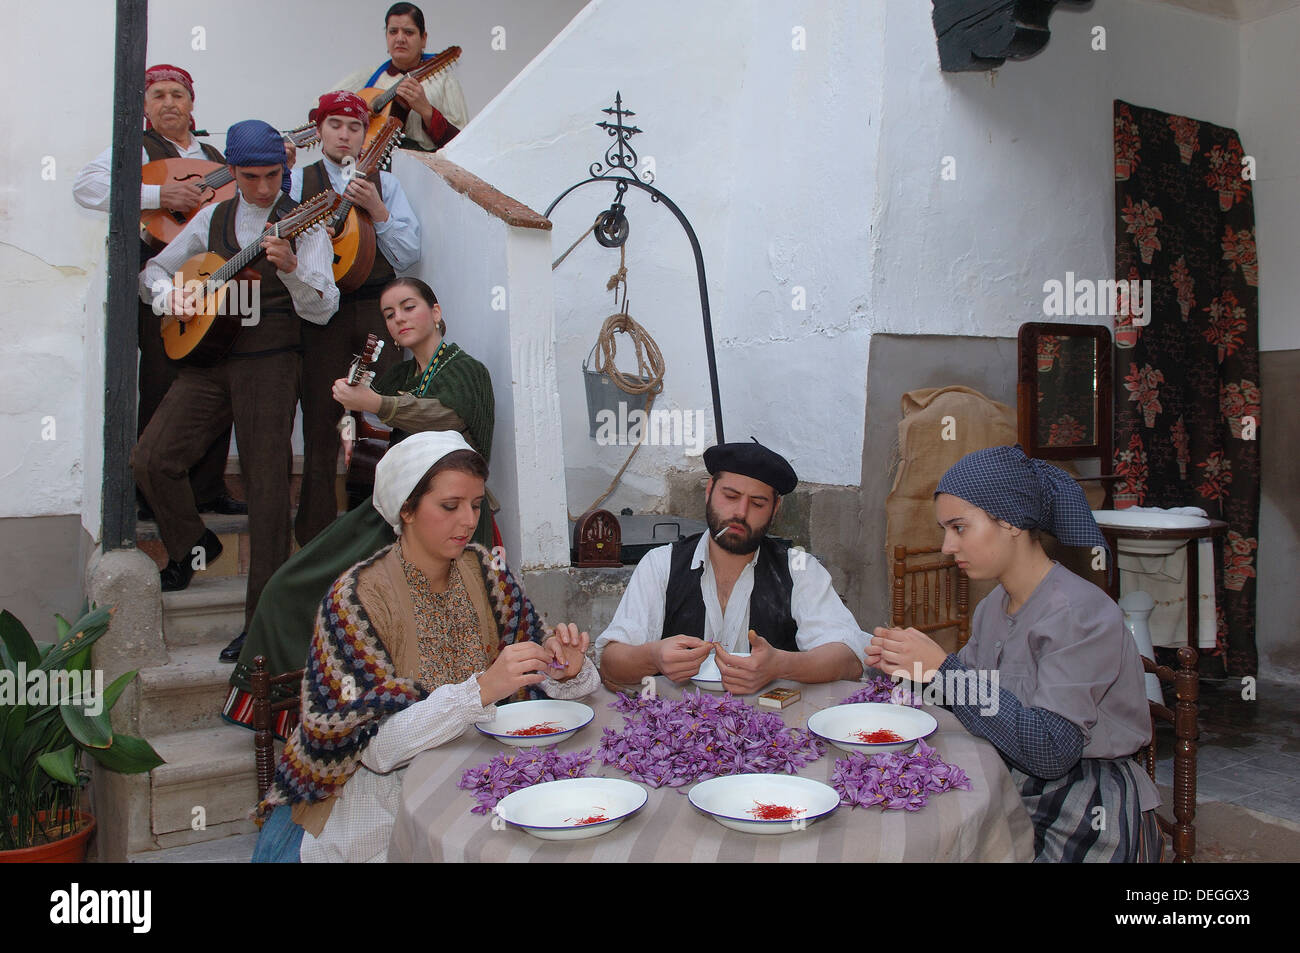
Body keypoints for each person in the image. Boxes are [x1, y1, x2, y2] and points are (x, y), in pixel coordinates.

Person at [251, 431, 598, 863]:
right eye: (450, 506)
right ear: (407, 510)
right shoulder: (357, 599)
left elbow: (539, 664)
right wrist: (481, 691)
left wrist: (564, 666)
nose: (468, 521)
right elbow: (373, 750)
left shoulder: (488, 571)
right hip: (367, 803)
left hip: (475, 774)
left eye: (476, 505)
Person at [221, 273, 492, 731]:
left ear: (436, 311)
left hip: (449, 518)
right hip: (395, 513)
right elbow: (376, 430)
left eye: (408, 306)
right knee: (292, 583)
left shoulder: (466, 370)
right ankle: (294, 707)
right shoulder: (402, 374)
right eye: (389, 313)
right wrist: (357, 411)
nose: (398, 319)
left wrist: (377, 402)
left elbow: (445, 416)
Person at [866, 445, 1161, 863]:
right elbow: (970, 699)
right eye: (944, 529)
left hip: (1086, 799)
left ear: (1010, 523)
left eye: (959, 527)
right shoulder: (994, 606)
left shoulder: (1080, 615)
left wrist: (943, 671)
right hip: (1014, 774)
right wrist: (906, 669)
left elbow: (1052, 751)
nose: (947, 546)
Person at [133, 120, 338, 619]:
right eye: (250, 176)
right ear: (232, 172)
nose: (264, 187)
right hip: (208, 361)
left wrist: (291, 269)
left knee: (266, 485)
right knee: (151, 458)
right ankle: (192, 544)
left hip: (270, 364)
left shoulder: (304, 222)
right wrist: (170, 295)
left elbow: (325, 307)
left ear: (286, 167)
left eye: (272, 174)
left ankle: (261, 620)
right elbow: (152, 271)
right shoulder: (213, 217)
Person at [73, 64, 243, 518]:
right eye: (158, 95)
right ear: (145, 107)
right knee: (162, 380)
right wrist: (156, 197)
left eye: (178, 94)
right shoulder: (135, 149)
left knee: (216, 377)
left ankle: (208, 490)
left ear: (192, 104)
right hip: (159, 280)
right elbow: (85, 188)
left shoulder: (214, 157)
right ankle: (151, 491)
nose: (169, 102)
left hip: (209, 280)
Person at [597, 439, 868, 695]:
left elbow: (849, 659)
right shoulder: (661, 564)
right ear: (709, 491)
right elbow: (612, 662)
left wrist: (780, 665)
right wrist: (653, 656)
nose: (741, 512)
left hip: (774, 728)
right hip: (675, 728)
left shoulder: (800, 569)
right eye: (730, 495)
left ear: (775, 509)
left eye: (758, 503)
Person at [291, 90, 421, 545]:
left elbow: (408, 254)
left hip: (374, 311)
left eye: (353, 127)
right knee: (322, 421)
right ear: (319, 131)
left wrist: (379, 211)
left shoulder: (386, 184)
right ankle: (316, 538)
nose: (344, 135)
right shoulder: (296, 181)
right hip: (319, 316)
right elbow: (279, 244)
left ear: (366, 134)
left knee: (388, 413)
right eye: (335, 125)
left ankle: (384, 528)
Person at [333, 2, 469, 152]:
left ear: (423, 39)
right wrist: (355, 112)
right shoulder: (370, 76)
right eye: (393, 32)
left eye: (408, 32)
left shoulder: (444, 80)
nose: (400, 39)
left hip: (425, 166)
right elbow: (319, 109)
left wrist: (427, 111)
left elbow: (462, 143)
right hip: (375, 168)